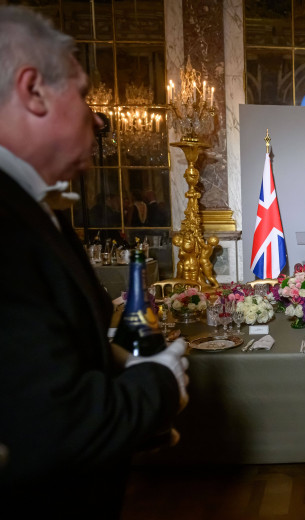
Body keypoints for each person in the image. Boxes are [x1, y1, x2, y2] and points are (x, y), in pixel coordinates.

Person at [0, 7, 189, 518]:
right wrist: (160, 384)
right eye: (83, 94)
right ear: (33, 91)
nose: (97, 117)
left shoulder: (39, 208)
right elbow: (49, 425)